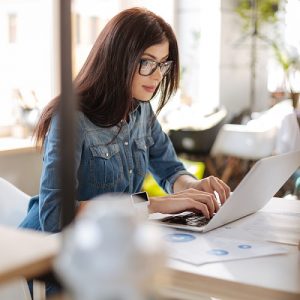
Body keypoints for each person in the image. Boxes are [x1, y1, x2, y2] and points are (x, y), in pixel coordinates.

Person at [20, 7, 230, 235]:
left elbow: (169, 168)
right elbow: (55, 215)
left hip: (109, 242)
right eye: (148, 62)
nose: (158, 75)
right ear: (118, 59)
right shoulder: (72, 119)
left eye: (163, 64)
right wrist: (151, 204)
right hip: (47, 252)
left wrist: (193, 188)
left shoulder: (141, 110)